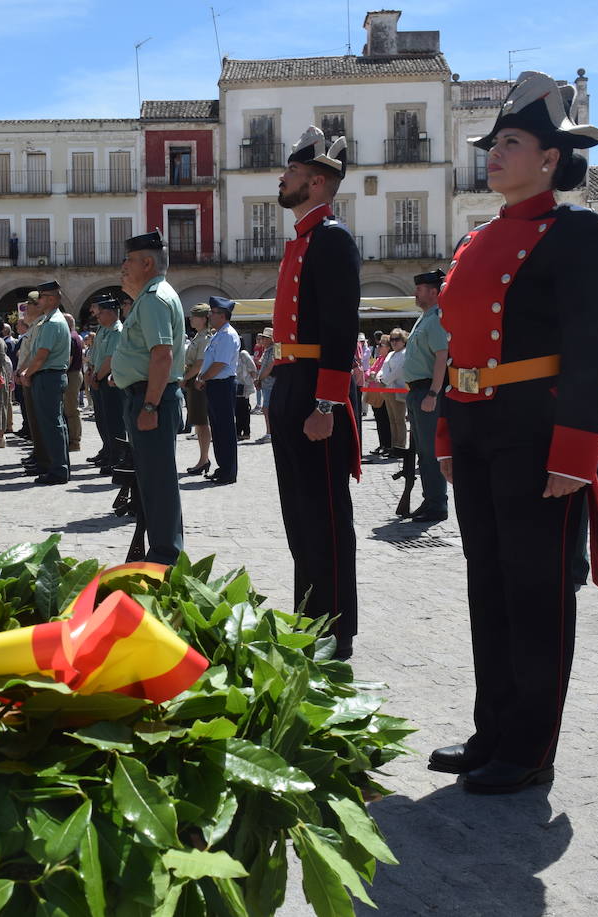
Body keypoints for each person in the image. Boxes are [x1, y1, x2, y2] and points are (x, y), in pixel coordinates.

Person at [429, 71, 598, 794]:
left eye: (511, 142)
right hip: (476, 423)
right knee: (490, 584)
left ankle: (531, 744)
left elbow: (591, 345)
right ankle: (493, 729)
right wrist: (448, 426)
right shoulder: (476, 238)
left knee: (537, 589)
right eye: (493, 143)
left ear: (550, 158)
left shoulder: (577, 232)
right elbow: (459, 340)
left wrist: (576, 450)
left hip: (536, 428)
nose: (495, 154)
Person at [268, 126, 362, 660]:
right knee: (298, 512)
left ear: (318, 181)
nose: (283, 179)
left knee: (325, 513)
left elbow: (339, 328)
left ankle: (335, 626)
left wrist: (327, 403)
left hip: (314, 390)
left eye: (293, 173)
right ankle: (309, 615)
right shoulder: (304, 238)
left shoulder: (332, 239)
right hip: (291, 382)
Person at [110, 230, 187, 565]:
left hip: (150, 399)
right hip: (143, 395)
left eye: (129, 260)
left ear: (147, 262)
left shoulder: (155, 298)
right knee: (151, 480)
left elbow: (162, 355)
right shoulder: (150, 296)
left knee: (158, 482)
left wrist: (151, 404)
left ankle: (165, 557)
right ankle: (161, 551)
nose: (123, 266)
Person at [404, 270, 451, 522]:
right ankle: (430, 498)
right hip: (417, 392)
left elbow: (442, 357)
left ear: (433, 292)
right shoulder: (424, 318)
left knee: (431, 451)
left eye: (420, 289)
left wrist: (433, 392)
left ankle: (437, 504)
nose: (415, 293)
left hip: (427, 392)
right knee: (423, 451)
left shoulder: (435, 319)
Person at [18, 281, 72, 485]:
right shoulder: (50, 321)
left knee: (52, 425)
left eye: (40, 297)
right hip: (48, 376)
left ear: (50, 299)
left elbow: (41, 355)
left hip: (48, 376)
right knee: (53, 424)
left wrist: (26, 373)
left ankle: (58, 469)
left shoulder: (52, 323)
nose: (37, 301)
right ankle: (59, 466)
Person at [195, 296, 240, 484]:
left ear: (222, 315)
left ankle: (228, 472)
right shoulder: (219, 334)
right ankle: (223, 468)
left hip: (222, 384)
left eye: (213, 313)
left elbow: (220, 363)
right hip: (215, 385)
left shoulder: (227, 335)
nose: (209, 316)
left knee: (225, 429)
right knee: (218, 428)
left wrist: (203, 378)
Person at [88, 293, 126, 472]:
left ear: (111, 312)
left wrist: (97, 377)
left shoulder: (117, 331)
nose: (98, 315)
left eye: (101, 312)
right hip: (98, 379)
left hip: (109, 380)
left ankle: (118, 457)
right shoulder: (103, 330)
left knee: (114, 421)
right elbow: (96, 355)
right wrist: (92, 373)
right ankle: (109, 451)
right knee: (103, 419)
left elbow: (111, 359)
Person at [182, 304, 213, 475]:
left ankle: (203, 459)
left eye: (194, 316)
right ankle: (203, 459)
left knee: (202, 423)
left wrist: (185, 378)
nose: (191, 319)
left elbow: (200, 363)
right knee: (200, 423)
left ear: (203, 319)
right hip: (193, 381)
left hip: (197, 381)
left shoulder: (205, 338)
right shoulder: (199, 336)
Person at [377, 330, 408, 455]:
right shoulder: (390, 354)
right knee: (392, 419)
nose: (394, 342)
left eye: (397, 339)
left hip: (398, 391)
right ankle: (394, 445)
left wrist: (383, 380)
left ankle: (400, 446)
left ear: (403, 341)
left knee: (399, 420)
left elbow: (398, 371)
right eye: (392, 340)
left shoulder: (405, 353)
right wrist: (380, 377)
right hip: (387, 390)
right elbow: (382, 369)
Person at [63, 311, 85, 452]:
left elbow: (68, 361)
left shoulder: (71, 338)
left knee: (71, 410)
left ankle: (74, 441)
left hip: (71, 374)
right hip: (75, 373)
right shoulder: (76, 337)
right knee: (70, 408)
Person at [254, 327, 275, 443]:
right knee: (266, 408)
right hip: (266, 384)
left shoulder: (272, 350)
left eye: (265, 338)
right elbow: (262, 364)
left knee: (267, 408)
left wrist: (259, 379)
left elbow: (269, 367)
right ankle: (269, 432)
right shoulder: (267, 350)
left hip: (270, 384)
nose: (262, 340)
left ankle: (270, 433)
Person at [236, 339, 257, 441]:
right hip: (236, 385)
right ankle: (238, 431)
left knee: (243, 410)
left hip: (243, 386)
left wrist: (253, 382)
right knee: (237, 410)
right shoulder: (233, 354)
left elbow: (253, 369)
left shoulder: (243, 354)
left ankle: (246, 432)